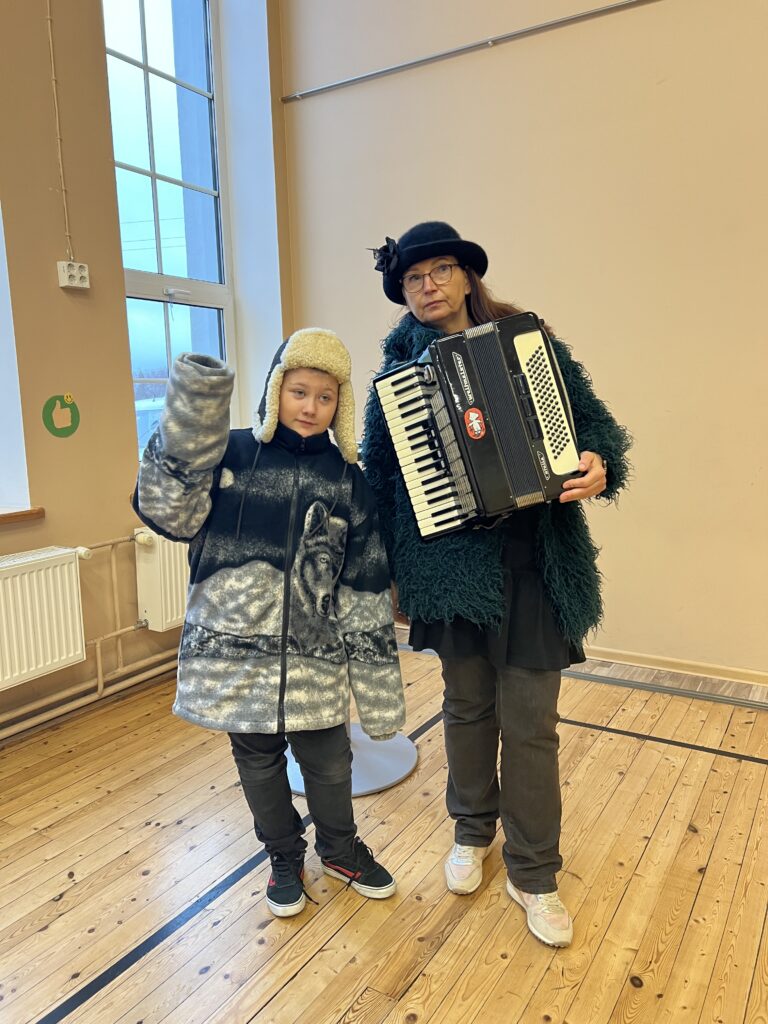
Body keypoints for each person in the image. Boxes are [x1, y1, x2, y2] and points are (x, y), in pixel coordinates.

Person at [361, 221, 631, 948]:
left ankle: (534, 872)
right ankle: (472, 831)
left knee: (532, 722)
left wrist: (598, 461)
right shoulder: (395, 380)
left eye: (440, 270)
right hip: (452, 568)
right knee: (467, 707)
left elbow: (596, 429)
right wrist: (387, 575)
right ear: (403, 292)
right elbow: (381, 480)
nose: (428, 286)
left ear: (466, 276)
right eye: (413, 278)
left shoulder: (531, 346)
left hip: (534, 560)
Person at [133, 327, 406, 918]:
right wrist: (191, 411)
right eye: (299, 391)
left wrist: (378, 694)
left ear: (340, 405)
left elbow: (363, 588)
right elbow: (169, 513)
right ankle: (283, 854)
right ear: (276, 388)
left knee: (330, 762)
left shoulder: (347, 481)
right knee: (257, 762)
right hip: (235, 659)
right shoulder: (229, 455)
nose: (310, 407)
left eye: (325, 397)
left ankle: (341, 849)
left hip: (317, 659)